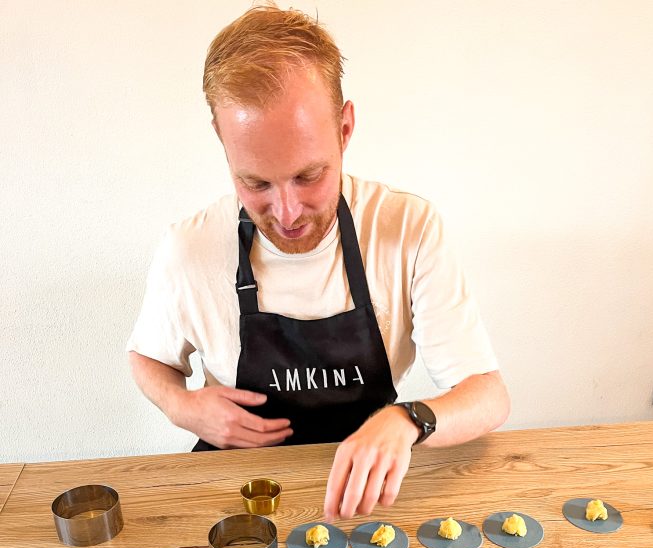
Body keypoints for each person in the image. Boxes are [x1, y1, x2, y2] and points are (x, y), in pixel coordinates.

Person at [127, 4, 510, 521]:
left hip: (369, 490)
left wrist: (408, 419)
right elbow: (148, 358)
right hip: (242, 493)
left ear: (346, 128)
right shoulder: (189, 247)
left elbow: (488, 397)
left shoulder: (407, 228)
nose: (286, 213)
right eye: (256, 183)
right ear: (222, 139)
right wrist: (182, 406)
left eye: (308, 176)